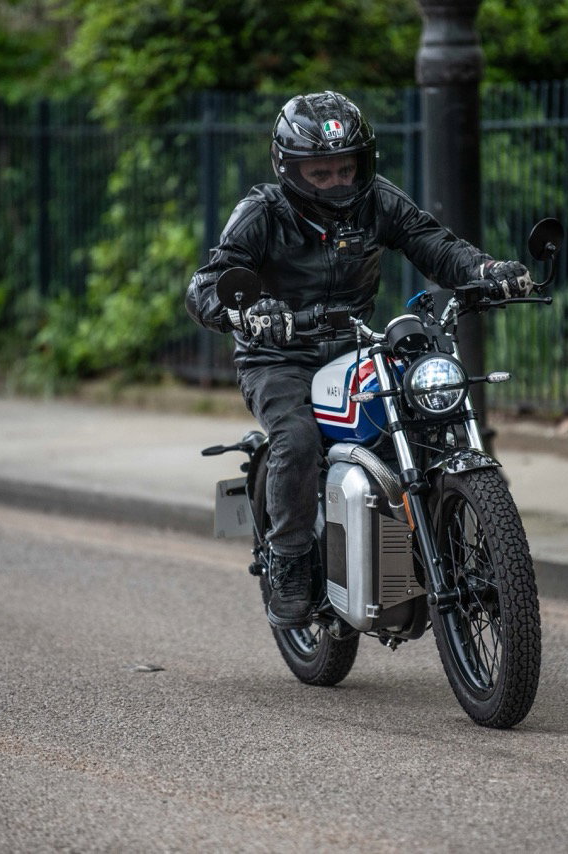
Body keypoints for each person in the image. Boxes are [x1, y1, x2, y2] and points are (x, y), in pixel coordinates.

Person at [185, 91, 530, 630]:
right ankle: (291, 559)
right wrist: (248, 310)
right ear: (290, 168)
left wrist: (486, 271)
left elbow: (434, 244)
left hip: (355, 345)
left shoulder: (380, 202)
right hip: (278, 357)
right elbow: (206, 282)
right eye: (320, 173)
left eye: (347, 169)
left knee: (424, 417)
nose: (337, 182)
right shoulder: (262, 213)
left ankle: (440, 542)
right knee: (296, 440)